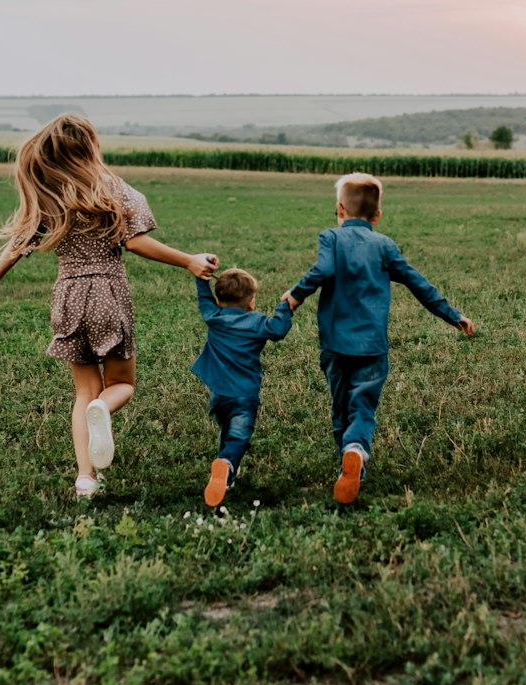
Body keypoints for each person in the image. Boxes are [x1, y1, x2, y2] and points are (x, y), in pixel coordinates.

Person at [0, 114, 218, 498]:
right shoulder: (114, 190)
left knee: (84, 392)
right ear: (90, 146)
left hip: (67, 295)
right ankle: (105, 410)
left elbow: (18, 244)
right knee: (120, 384)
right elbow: (136, 242)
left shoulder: (50, 195)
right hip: (107, 291)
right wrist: (188, 259)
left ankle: (85, 478)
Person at [283, 172, 474, 504]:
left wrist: (295, 296)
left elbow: (323, 271)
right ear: (377, 216)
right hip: (371, 345)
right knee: (364, 406)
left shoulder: (330, 237)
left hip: (335, 343)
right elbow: (418, 284)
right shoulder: (385, 246)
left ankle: (349, 455)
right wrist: (452, 314)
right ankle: (356, 449)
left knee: (340, 405)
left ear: (339, 209)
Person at [192, 267, 293, 506]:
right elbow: (278, 330)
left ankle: (226, 473)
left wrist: (201, 277)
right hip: (244, 394)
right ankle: (226, 463)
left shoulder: (213, 317)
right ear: (250, 300)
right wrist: (285, 308)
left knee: (226, 430)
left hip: (218, 394)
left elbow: (204, 299)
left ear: (219, 299)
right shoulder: (256, 322)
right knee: (238, 438)